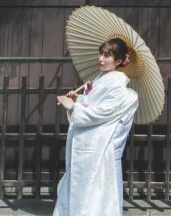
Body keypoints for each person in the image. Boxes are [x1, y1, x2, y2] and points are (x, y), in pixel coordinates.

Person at [53, 38, 139, 216]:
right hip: (89, 140)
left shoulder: (118, 85)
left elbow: (102, 112)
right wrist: (78, 99)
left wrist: (74, 107)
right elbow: (92, 104)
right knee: (82, 186)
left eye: (107, 56)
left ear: (119, 60)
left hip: (100, 145)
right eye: (100, 54)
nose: (100, 58)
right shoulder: (101, 78)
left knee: (97, 191)